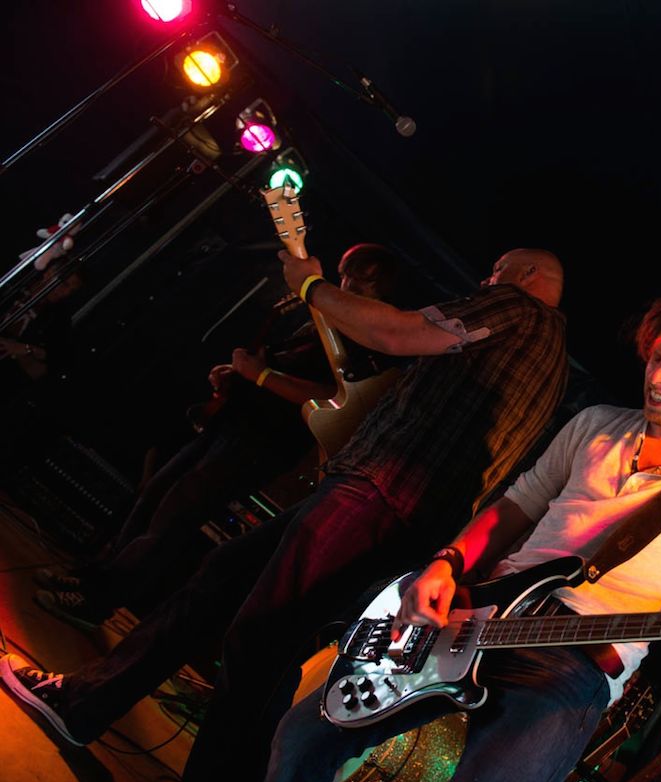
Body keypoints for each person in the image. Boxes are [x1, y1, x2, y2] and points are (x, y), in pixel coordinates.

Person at [0, 246, 568, 782]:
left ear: (527, 274)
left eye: (498, 269)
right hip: (394, 503)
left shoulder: (518, 308)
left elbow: (396, 332)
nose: (487, 280)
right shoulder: (553, 366)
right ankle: (83, 704)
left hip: (380, 492)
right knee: (224, 579)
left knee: (263, 644)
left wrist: (310, 285)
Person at [262, 291, 661, 782]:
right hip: (482, 613)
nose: (656, 375)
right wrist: (446, 564)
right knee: (305, 736)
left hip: (574, 660)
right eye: (656, 357)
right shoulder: (596, 424)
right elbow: (516, 506)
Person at [31, 243, 405, 631]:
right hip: (235, 422)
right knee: (153, 497)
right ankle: (91, 579)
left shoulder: (369, 341)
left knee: (172, 518)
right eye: (346, 275)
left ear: (385, 291)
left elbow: (334, 397)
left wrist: (261, 376)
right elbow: (283, 367)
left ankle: (96, 602)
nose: (348, 286)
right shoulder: (324, 319)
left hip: (264, 442)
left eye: (364, 282)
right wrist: (238, 374)